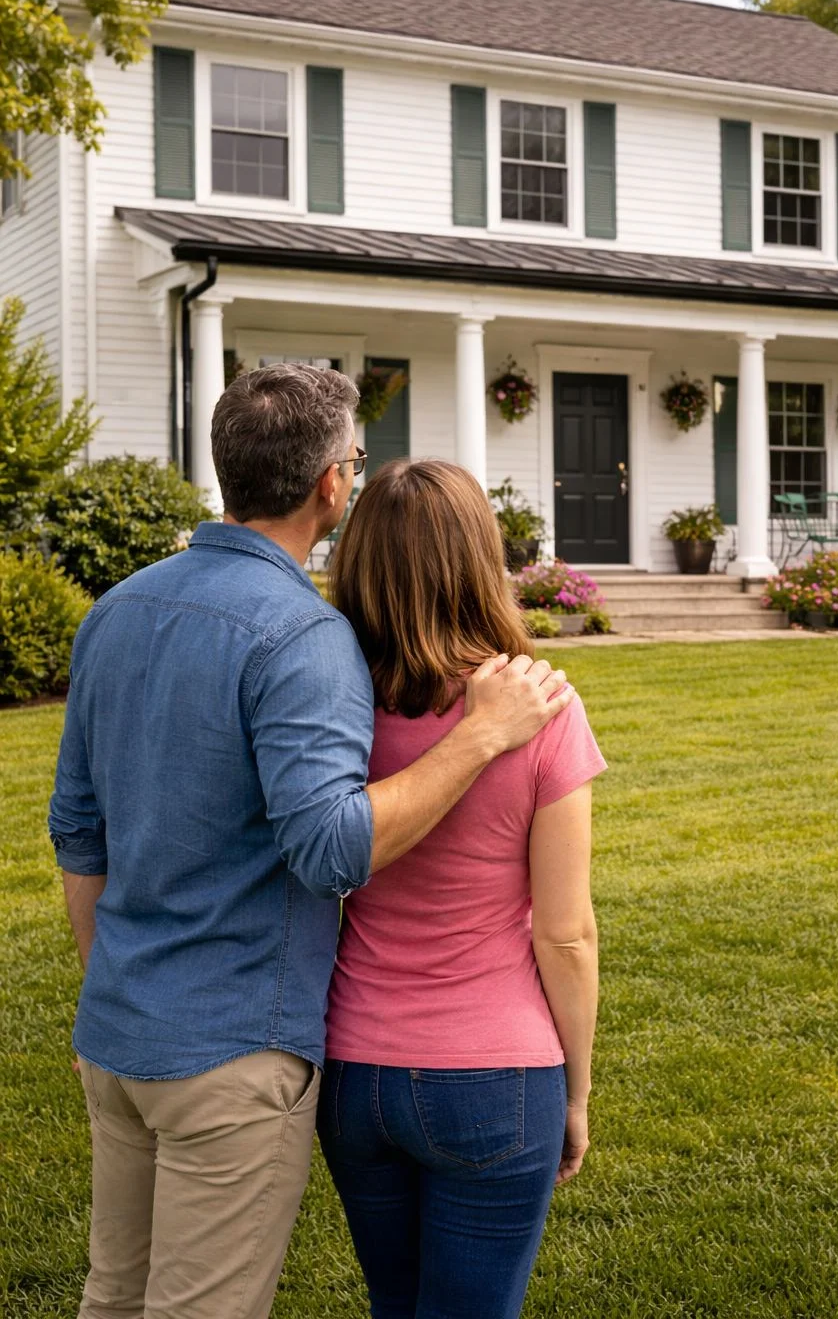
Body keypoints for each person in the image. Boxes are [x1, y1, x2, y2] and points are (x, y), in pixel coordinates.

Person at [48, 365, 574, 1319]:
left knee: (113, 1297)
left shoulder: (113, 612)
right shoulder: (300, 636)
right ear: (332, 482)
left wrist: (112, 991)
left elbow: (80, 837)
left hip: (118, 1033)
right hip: (232, 1050)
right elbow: (331, 849)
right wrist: (482, 734)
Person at [319, 459, 604, 1319]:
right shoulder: (543, 706)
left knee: (395, 1305)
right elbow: (566, 935)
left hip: (354, 1073)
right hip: (497, 1076)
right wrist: (578, 1093)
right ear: (480, 558)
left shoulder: (330, 706)